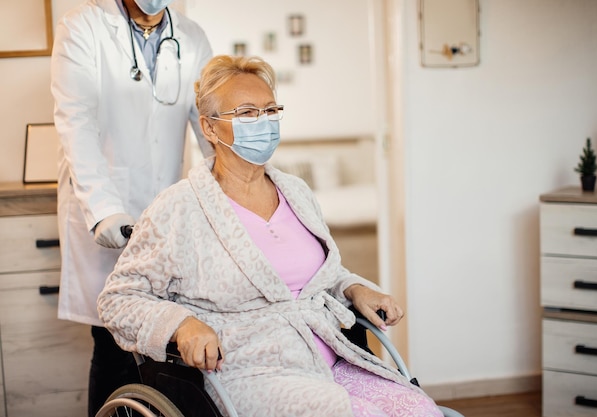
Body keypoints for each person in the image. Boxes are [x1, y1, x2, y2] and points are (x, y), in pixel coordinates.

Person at [97, 55, 443, 417]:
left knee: (420, 410)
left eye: (270, 110)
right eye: (246, 113)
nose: (262, 122)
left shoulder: (297, 192)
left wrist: (354, 288)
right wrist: (181, 324)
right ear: (210, 128)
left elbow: (319, 277)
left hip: (330, 358)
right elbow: (119, 300)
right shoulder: (178, 208)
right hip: (249, 371)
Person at [50, 0, 213, 415]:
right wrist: (104, 209)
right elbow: (76, 122)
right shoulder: (84, 26)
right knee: (113, 343)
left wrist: (229, 201)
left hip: (165, 217)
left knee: (165, 344)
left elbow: (210, 128)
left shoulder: (190, 37)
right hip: (106, 210)